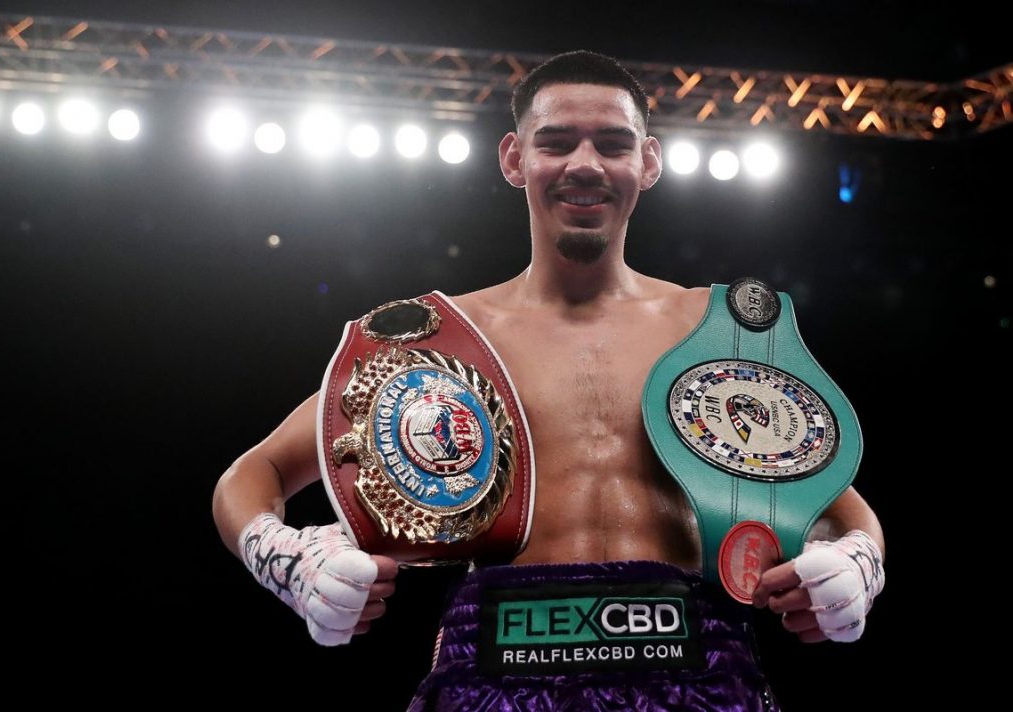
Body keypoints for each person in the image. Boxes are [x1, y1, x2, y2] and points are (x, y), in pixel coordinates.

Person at [212, 50, 885, 710]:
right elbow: (253, 472)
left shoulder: (714, 329)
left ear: (648, 162)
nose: (585, 164)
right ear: (515, 158)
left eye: (614, 144)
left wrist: (853, 565)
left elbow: (831, 499)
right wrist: (289, 561)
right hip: (495, 671)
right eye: (557, 142)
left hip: (700, 664)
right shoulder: (447, 336)